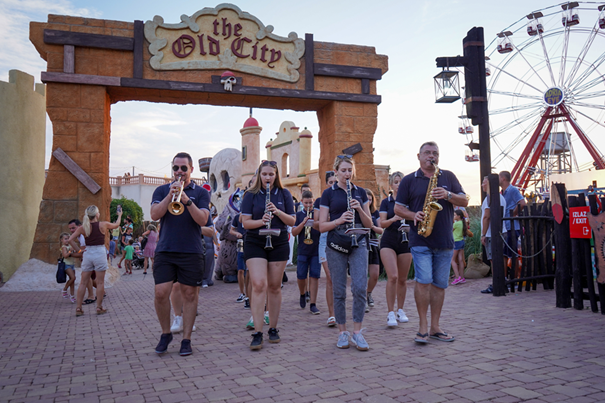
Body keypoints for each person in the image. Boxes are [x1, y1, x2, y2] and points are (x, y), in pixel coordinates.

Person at [394, 141, 467, 344]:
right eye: (427, 153)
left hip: (444, 239)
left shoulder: (448, 177)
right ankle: (422, 326)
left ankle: (435, 327)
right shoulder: (409, 180)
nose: (431, 156)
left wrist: (448, 195)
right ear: (419, 156)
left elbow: (464, 200)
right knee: (423, 280)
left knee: (440, 285)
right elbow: (398, 209)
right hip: (420, 238)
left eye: (435, 153)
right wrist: (412, 214)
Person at [150, 152, 210, 356]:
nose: (179, 172)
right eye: (176, 168)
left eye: (184, 168)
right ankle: (166, 334)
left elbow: (203, 220)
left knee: (190, 294)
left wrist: (186, 200)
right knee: (160, 293)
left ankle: (186, 339)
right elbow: (154, 214)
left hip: (190, 250)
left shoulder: (200, 192)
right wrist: (170, 195)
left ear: (191, 169)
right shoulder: (160, 190)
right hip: (166, 249)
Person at [319, 155, 373, 351]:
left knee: (360, 287)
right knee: (339, 290)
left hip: (358, 241)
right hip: (337, 243)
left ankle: (357, 332)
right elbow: (322, 225)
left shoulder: (360, 192)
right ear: (336, 171)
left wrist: (360, 210)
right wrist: (340, 220)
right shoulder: (328, 193)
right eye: (343, 170)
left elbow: (370, 225)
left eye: (350, 170)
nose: (347, 174)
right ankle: (342, 332)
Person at [241, 160, 296, 350]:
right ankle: (257, 332)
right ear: (259, 175)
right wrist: (261, 220)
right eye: (264, 174)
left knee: (274, 286)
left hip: (278, 240)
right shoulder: (251, 195)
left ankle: (273, 328)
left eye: (271, 174)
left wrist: (277, 211)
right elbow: (246, 223)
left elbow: (292, 220)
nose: (267, 178)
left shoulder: (284, 193)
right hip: (255, 241)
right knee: (258, 284)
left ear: (276, 175)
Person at [69, 205, 122, 316]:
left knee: (83, 282)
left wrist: (79, 251)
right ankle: (99, 307)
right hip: (99, 253)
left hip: (88, 253)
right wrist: (120, 215)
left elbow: (70, 240)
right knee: (100, 282)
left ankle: (78, 308)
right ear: (97, 214)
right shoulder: (103, 224)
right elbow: (116, 225)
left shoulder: (83, 227)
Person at [379, 171, 412, 327]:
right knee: (392, 276)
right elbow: (382, 224)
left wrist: (410, 228)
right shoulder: (387, 202)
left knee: (403, 279)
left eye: (402, 182)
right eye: (396, 182)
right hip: (389, 240)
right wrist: (394, 218)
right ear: (391, 185)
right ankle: (390, 312)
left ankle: (400, 309)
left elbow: (417, 222)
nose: (399, 185)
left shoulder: (410, 202)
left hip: (405, 241)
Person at [291, 190, 321, 314]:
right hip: (303, 250)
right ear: (302, 202)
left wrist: (314, 223)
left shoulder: (317, 214)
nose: (308, 205)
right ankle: (303, 293)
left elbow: (322, 227)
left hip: (315, 249)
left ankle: (313, 303)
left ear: (313, 201)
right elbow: (294, 232)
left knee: (314, 276)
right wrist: (303, 223)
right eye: (306, 203)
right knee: (301, 276)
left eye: (310, 203)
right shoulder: (298, 215)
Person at [315, 171, 338, 327]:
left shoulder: (345, 197)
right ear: (326, 183)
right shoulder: (321, 199)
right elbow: (317, 224)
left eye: (335, 181)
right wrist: (332, 219)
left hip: (342, 238)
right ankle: (332, 314)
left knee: (339, 278)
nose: (333, 184)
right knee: (330, 277)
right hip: (325, 239)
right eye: (330, 182)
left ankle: (339, 310)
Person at [480, 176, 508, 294]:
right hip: (501, 231)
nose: (482, 185)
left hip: (492, 233)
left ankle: (496, 283)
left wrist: (483, 234)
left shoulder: (490, 198)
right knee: (501, 258)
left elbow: (487, 216)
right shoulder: (500, 197)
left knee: (493, 259)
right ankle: (503, 281)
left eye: (484, 182)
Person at [499, 171, 527, 266]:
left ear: (503, 178)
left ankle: (514, 278)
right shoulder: (503, 193)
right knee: (506, 253)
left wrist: (513, 215)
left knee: (511, 253)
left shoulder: (512, 190)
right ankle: (508, 277)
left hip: (513, 226)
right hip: (507, 226)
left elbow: (522, 203)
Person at [68, 219, 95, 304]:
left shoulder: (82, 236)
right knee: (92, 277)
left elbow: (83, 253)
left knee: (86, 276)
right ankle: (102, 292)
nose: (71, 230)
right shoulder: (80, 236)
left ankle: (91, 296)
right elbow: (81, 252)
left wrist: (69, 255)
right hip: (92, 256)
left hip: (91, 257)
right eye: (70, 229)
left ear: (80, 226)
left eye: (73, 228)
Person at [365, 188, 384, 313]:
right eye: (366, 199)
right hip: (361, 245)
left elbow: (380, 229)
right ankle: (362, 299)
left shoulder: (375, 213)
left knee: (375, 274)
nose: (368, 201)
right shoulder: (357, 211)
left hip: (373, 245)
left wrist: (371, 226)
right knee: (361, 275)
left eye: (370, 199)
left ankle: (368, 293)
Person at [451, 209, 468, 285]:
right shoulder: (463, 223)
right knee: (460, 260)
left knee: (452, 260)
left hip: (456, 242)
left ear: (459, 216)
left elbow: (450, 230)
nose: (453, 216)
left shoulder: (456, 224)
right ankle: (462, 277)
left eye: (454, 215)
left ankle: (457, 277)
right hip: (461, 242)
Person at [59, 232, 77, 303]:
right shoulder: (64, 247)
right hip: (67, 265)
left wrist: (80, 251)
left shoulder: (70, 246)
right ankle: (65, 289)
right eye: (65, 239)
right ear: (62, 240)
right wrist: (70, 250)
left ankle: (72, 296)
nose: (67, 240)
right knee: (73, 278)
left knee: (72, 281)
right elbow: (65, 255)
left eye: (68, 238)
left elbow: (77, 251)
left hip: (72, 265)